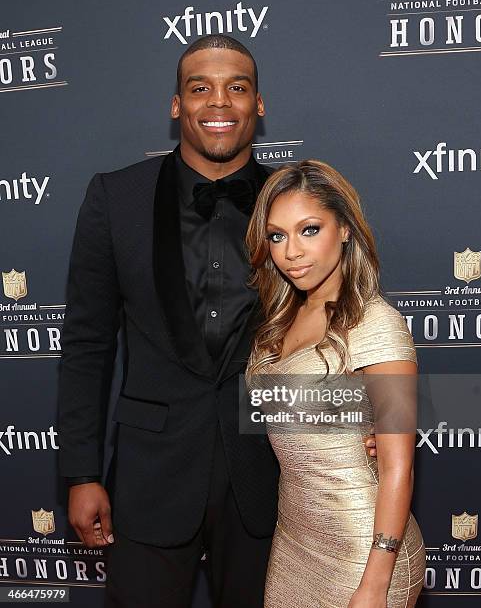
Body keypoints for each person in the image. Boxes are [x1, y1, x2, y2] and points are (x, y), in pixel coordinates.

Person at [58, 35, 377, 607]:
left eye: (237, 87)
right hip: (149, 475)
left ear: (259, 104)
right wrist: (81, 473)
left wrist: (376, 417)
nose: (218, 102)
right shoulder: (117, 198)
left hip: (270, 475)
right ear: (176, 105)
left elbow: (350, 320)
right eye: (199, 88)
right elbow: (86, 344)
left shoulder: (295, 207)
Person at [245, 160, 425, 608]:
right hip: (294, 539)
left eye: (309, 230)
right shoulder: (278, 321)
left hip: (362, 548)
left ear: (344, 229)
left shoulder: (376, 323)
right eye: (277, 236)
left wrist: (375, 584)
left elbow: (397, 467)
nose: (291, 252)